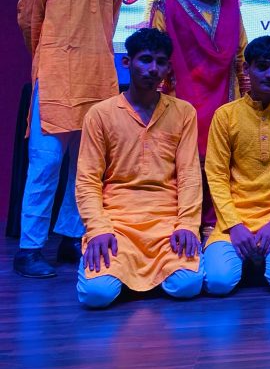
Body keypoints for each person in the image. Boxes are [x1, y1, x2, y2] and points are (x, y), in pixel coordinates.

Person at [15, 0, 125, 278]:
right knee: (46, 163)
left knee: (87, 167)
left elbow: (109, 26)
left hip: (99, 80)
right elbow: (29, 17)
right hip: (57, 78)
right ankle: (29, 249)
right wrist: (51, 56)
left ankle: (70, 238)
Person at [75, 29, 204, 308]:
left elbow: (189, 175)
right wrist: (97, 229)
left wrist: (187, 225)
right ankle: (117, 270)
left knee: (187, 286)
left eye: (161, 62)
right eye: (145, 60)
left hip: (167, 222)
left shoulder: (184, 112)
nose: (153, 69)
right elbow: (87, 179)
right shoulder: (100, 114)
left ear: (168, 68)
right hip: (117, 223)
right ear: (127, 62)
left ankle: (130, 278)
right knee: (97, 295)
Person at [150, 0, 248, 236]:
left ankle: (214, 222)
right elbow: (157, 54)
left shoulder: (230, 4)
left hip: (225, 96)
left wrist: (247, 97)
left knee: (223, 161)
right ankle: (185, 222)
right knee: (182, 162)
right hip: (181, 99)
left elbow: (241, 54)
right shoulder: (167, 6)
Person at [203, 36, 270, 294]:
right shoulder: (225, 115)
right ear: (246, 69)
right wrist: (234, 225)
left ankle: (259, 258)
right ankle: (250, 257)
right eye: (262, 67)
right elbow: (216, 175)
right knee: (218, 283)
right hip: (234, 218)